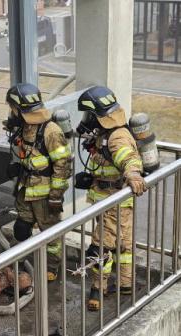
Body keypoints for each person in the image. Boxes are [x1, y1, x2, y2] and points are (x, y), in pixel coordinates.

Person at [75, 86, 147, 311]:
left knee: (100, 249)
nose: (87, 120)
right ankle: (125, 284)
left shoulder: (116, 137)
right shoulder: (108, 134)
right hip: (116, 202)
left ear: (99, 116)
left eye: (89, 115)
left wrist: (133, 174)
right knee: (123, 246)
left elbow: (128, 158)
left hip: (112, 204)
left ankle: (98, 289)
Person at [3, 83, 72, 281]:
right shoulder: (24, 127)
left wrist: (56, 197)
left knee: (50, 235)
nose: (11, 112)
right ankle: (15, 262)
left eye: (13, 108)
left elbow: (62, 164)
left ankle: (53, 267)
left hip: (45, 195)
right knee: (21, 228)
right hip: (26, 189)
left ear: (21, 108)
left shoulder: (51, 131)